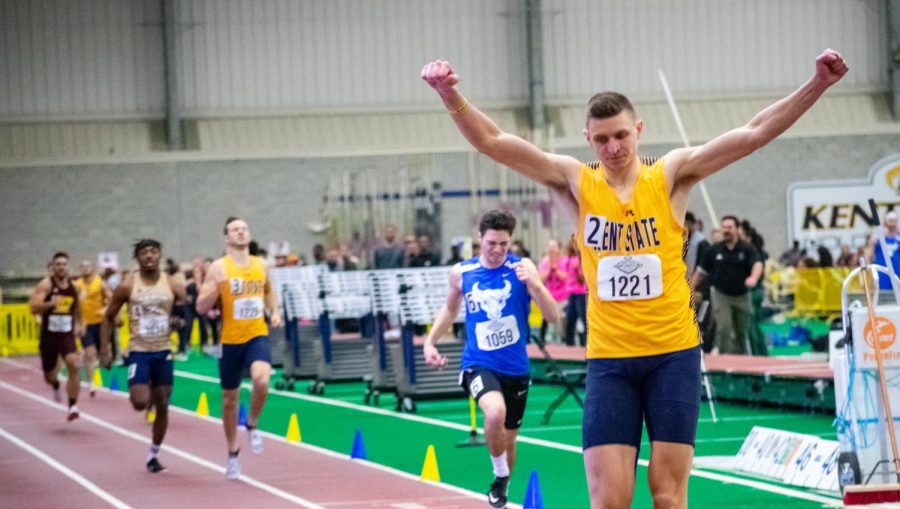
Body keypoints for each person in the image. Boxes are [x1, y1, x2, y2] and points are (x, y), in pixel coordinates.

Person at [422, 49, 847, 508]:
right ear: (588, 139)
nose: (614, 148)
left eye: (622, 135)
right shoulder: (575, 183)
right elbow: (494, 141)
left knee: (667, 496)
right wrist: (451, 95)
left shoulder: (669, 176)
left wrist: (818, 83)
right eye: (602, 139)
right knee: (609, 501)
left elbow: (755, 132)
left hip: (672, 355)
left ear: (638, 131)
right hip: (610, 361)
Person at [423, 210, 559, 508]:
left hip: (517, 370)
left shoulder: (523, 268)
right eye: (492, 243)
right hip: (478, 363)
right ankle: (499, 477)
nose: (498, 250)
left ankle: (503, 486)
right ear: (480, 240)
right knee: (494, 413)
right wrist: (430, 341)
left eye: (504, 244)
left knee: (509, 439)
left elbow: (554, 317)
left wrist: (535, 286)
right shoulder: (462, 273)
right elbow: (449, 309)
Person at [196, 217, 282, 480]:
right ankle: (233, 452)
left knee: (261, 380)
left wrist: (274, 311)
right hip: (231, 341)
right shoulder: (219, 268)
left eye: (244, 228)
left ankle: (253, 422)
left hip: (257, 334)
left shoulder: (261, 264)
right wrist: (216, 289)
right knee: (229, 399)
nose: (241, 232)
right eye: (235, 229)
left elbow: (268, 291)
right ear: (227, 238)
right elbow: (200, 306)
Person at [99, 239, 187, 473]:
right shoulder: (128, 286)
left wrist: (179, 320)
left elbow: (184, 308)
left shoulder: (172, 284)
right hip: (139, 350)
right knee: (139, 402)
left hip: (163, 350)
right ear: (137, 258)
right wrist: (104, 349)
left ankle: (154, 454)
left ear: (159, 255)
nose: (149, 256)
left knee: (164, 404)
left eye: (153, 252)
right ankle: (147, 395)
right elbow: (108, 317)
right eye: (144, 253)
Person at [691, 216, 762, 355]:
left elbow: (757, 264)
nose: (726, 230)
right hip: (721, 295)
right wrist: (690, 288)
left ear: (736, 229)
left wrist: (753, 278)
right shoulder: (713, 250)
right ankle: (724, 361)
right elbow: (700, 271)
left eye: (729, 227)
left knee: (741, 331)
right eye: (724, 227)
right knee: (724, 328)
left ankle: (740, 360)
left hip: (742, 296)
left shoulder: (747, 249)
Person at [29, 252, 84, 421]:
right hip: (49, 336)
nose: (61, 267)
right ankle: (55, 384)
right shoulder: (45, 284)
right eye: (58, 264)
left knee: (74, 364)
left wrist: (80, 325)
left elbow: (77, 309)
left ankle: (72, 405)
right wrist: (51, 303)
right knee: (49, 376)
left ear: (69, 266)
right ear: (53, 266)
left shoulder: (74, 287)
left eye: (64, 264)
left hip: (66, 334)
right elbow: (33, 308)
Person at [74, 259, 112, 396]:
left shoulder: (100, 283)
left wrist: (105, 309)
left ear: (93, 268)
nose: (85, 269)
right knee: (90, 354)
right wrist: (77, 323)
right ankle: (91, 384)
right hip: (86, 324)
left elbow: (113, 299)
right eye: (83, 266)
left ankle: (106, 359)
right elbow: (71, 305)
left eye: (88, 266)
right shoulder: (77, 286)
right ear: (80, 269)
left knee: (105, 356)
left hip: (101, 323)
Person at [538, 238, 568, 343]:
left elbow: (566, 277)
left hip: (563, 297)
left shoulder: (565, 261)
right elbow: (541, 279)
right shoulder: (544, 262)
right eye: (549, 247)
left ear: (559, 249)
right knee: (546, 319)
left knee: (562, 321)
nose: (551, 250)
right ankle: (543, 342)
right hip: (549, 297)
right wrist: (550, 268)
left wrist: (556, 269)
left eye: (554, 247)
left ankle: (565, 341)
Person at [563, 236, 588, 347]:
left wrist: (579, 270)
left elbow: (582, 279)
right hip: (572, 294)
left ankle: (587, 344)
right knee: (570, 322)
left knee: (584, 321)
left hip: (581, 294)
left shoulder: (581, 260)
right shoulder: (568, 260)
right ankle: (570, 345)